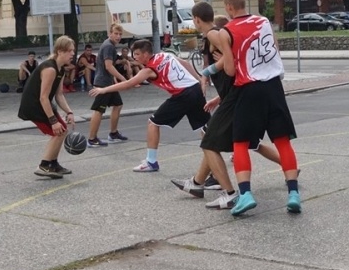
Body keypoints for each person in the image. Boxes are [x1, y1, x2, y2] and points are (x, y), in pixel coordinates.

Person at [170, 4, 283, 209]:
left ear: (196, 19)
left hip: (238, 99)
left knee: (210, 142)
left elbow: (235, 58)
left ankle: (229, 193)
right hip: (234, 97)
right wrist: (217, 96)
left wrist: (210, 69)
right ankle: (197, 183)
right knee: (238, 142)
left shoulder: (214, 35)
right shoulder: (213, 35)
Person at [216, 0, 301, 216]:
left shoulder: (227, 31)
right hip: (273, 87)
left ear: (230, 7)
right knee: (283, 141)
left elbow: (231, 71)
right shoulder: (264, 21)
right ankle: (293, 193)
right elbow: (275, 50)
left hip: (249, 89)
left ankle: (245, 194)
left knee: (241, 143)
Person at [90, 38, 210, 172]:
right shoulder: (165, 55)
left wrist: (103, 90)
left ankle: (151, 161)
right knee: (205, 127)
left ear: (146, 54)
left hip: (183, 94)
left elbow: (128, 84)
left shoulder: (149, 70)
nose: (134, 57)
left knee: (153, 123)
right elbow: (185, 64)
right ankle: (214, 158)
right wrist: (199, 80)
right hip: (195, 89)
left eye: (137, 54)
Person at [17, 36, 77, 178]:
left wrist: (69, 112)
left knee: (62, 129)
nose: (73, 54)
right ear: (60, 51)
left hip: (43, 104)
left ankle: (53, 164)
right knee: (59, 131)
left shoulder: (60, 69)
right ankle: (44, 166)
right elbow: (43, 97)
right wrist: (53, 121)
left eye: (73, 51)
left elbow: (59, 95)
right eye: (70, 51)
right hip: (33, 105)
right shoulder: (50, 69)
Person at [86, 25, 129, 147]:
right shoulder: (109, 46)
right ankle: (92, 139)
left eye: (120, 34)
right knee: (98, 110)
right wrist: (123, 79)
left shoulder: (109, 45)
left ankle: (113, 133)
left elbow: (109, 66)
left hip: (108, 82)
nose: (118, 36)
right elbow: (108, 66)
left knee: (118, 104)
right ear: (110, 33)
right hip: (103, 83)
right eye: (116, 33)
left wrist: (115, 79)